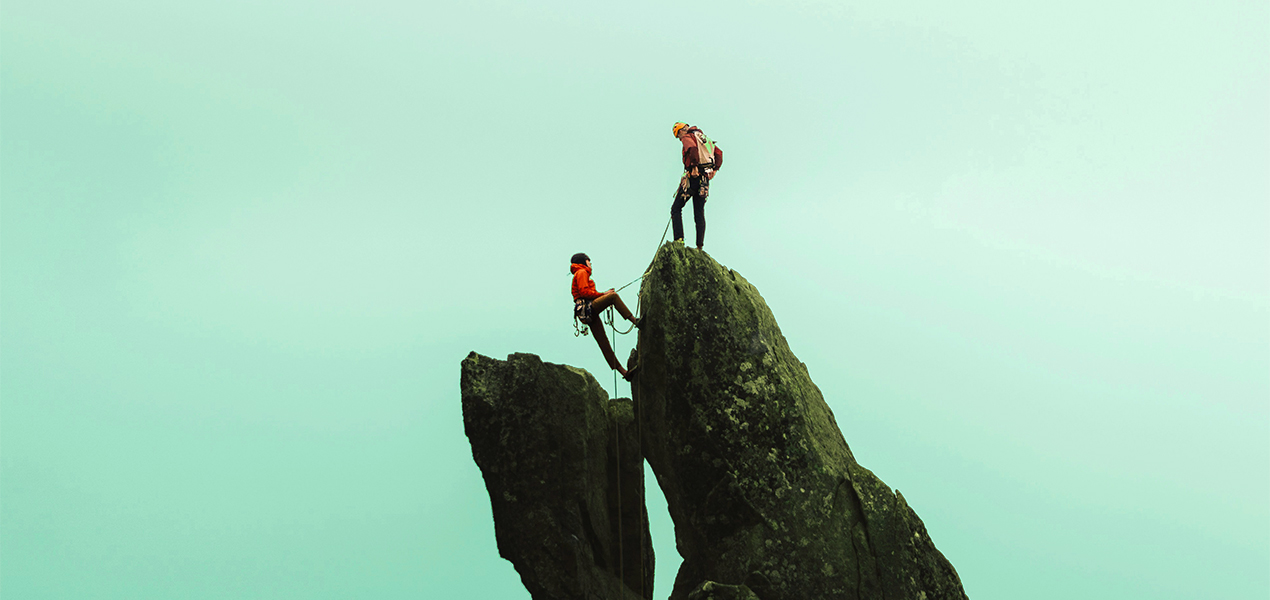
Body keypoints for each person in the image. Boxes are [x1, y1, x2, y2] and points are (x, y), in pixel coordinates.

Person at [570, 253, 640, 381]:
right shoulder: (581, 272)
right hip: (588, 308)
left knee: (603, 343)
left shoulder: (579, 273)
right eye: (589, 261)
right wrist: (604, 294)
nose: (590, 264)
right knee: (613, 297)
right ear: (583, 262)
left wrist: (602, 295)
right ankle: (635, 321)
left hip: (585, 312)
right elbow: (584, 292)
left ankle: (624, 373)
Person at [671, 122, 723, 250]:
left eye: (678, 135)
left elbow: (692, 149)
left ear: (682, 130)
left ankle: (679, 240)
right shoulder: (704, 138)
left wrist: (694, 166)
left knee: (676, 208)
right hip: (704, 180)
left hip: (693, 178)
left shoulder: (687, 137)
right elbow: (719, 153)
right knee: (699, 212)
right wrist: (715, 170)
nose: (679, 139)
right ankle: (699, 246)